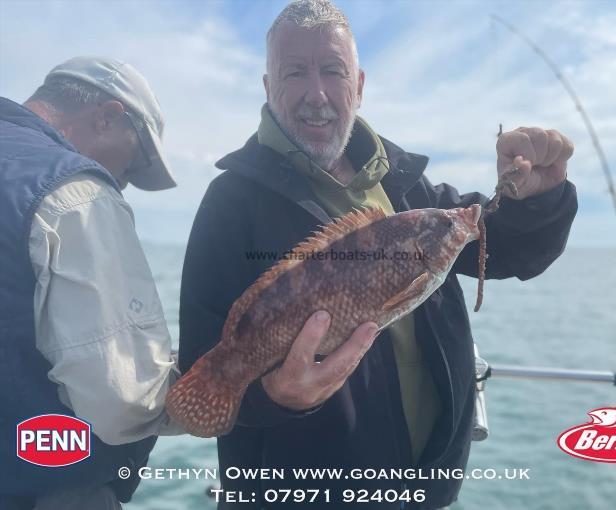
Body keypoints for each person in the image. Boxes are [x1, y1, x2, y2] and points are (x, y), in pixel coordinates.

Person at [179, 1, 577, 509]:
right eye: (295, 72)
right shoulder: (231, 203)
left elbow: (508, 251)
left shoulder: (409, 189)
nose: (316, 93)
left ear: (359, 86)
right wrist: (274, 398)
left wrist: (536, 198)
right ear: (268, 87)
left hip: (424, 488)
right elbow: (203, 364)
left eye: (333, 71)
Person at [0, 57, 182, 510]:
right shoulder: (73, 192)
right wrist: (212, 388)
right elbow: (122, 403)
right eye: (134, 162)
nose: (123, 184)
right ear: (106, 115)